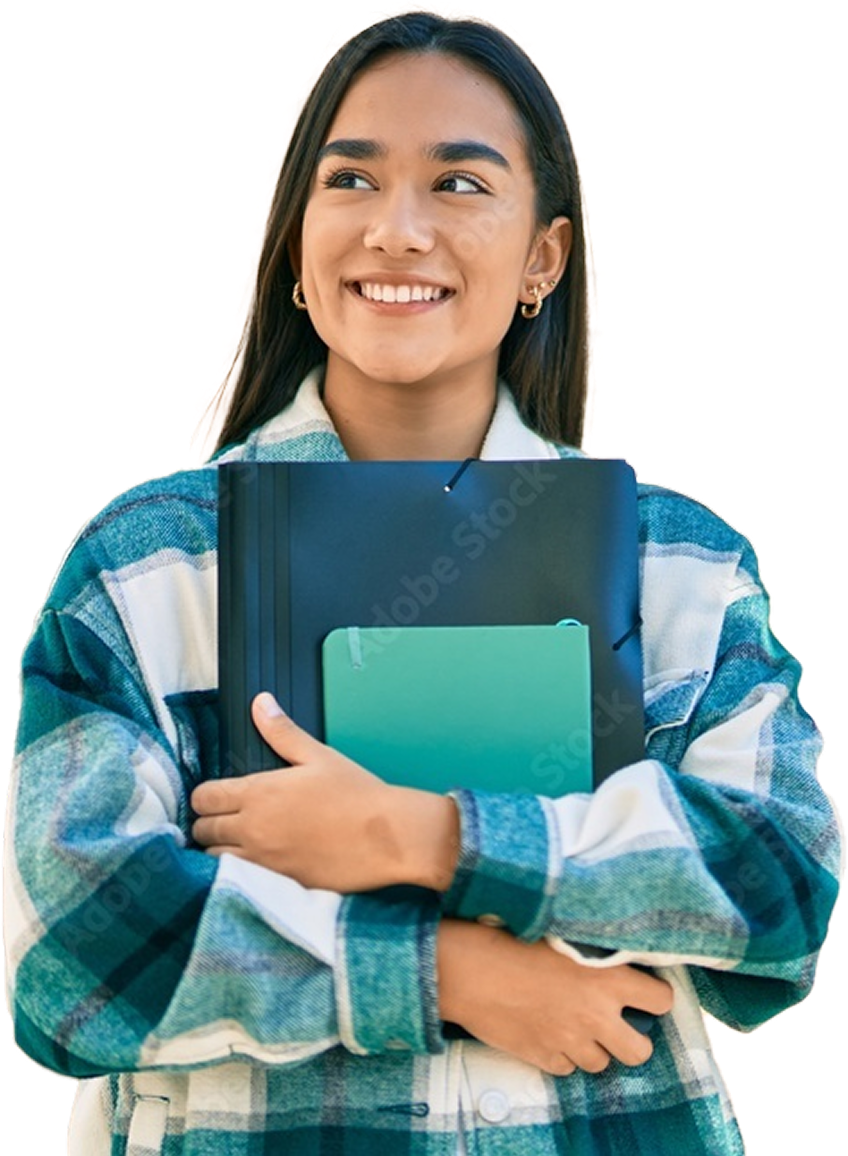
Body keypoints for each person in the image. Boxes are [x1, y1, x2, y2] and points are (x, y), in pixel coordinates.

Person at [4, 4, 843, 1153]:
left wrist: (425, 836)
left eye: (458, 184)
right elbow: (77, 956)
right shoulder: (152, 566)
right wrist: (443, 971)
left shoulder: (676, 565)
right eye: (349, 182)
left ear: (542, 254)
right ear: (297, 239)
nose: (396, 229)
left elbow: (779, 888)